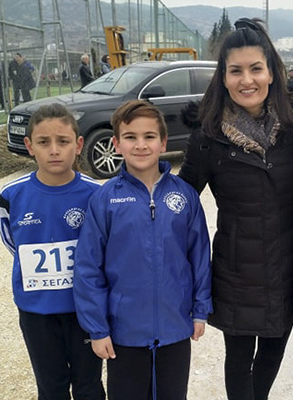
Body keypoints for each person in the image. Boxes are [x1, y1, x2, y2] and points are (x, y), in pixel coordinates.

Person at [178, 17, 293, 400]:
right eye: (236, 71)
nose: (246, 80)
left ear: (271, 72)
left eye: (255, 69)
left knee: (273, 352)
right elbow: (180, 201)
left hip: (288, 265)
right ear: (223, 76)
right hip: (236, 270)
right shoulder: (208, 136)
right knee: (239, 357)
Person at [73, 100, 212, 400]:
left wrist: (200, 310)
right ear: (116, 144)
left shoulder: (184, 196)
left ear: (163, 142)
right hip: (124, 333)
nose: (140, 145)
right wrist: (98, 328)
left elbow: (200, 256)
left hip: (175, 328)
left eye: (149, 136)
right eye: (130, 137)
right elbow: (88, 267)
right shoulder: (105, 199)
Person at [0, 103, 105, 399]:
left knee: (89, 386)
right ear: (29, 146)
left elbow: (103, 248)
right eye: (44, 142)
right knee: (51, 387)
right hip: (37, 311)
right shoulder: (10, 196)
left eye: (63, 141)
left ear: (78, 145)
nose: (54, 150)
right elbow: (13, 243)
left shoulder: (95, 194)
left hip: (84, 309)